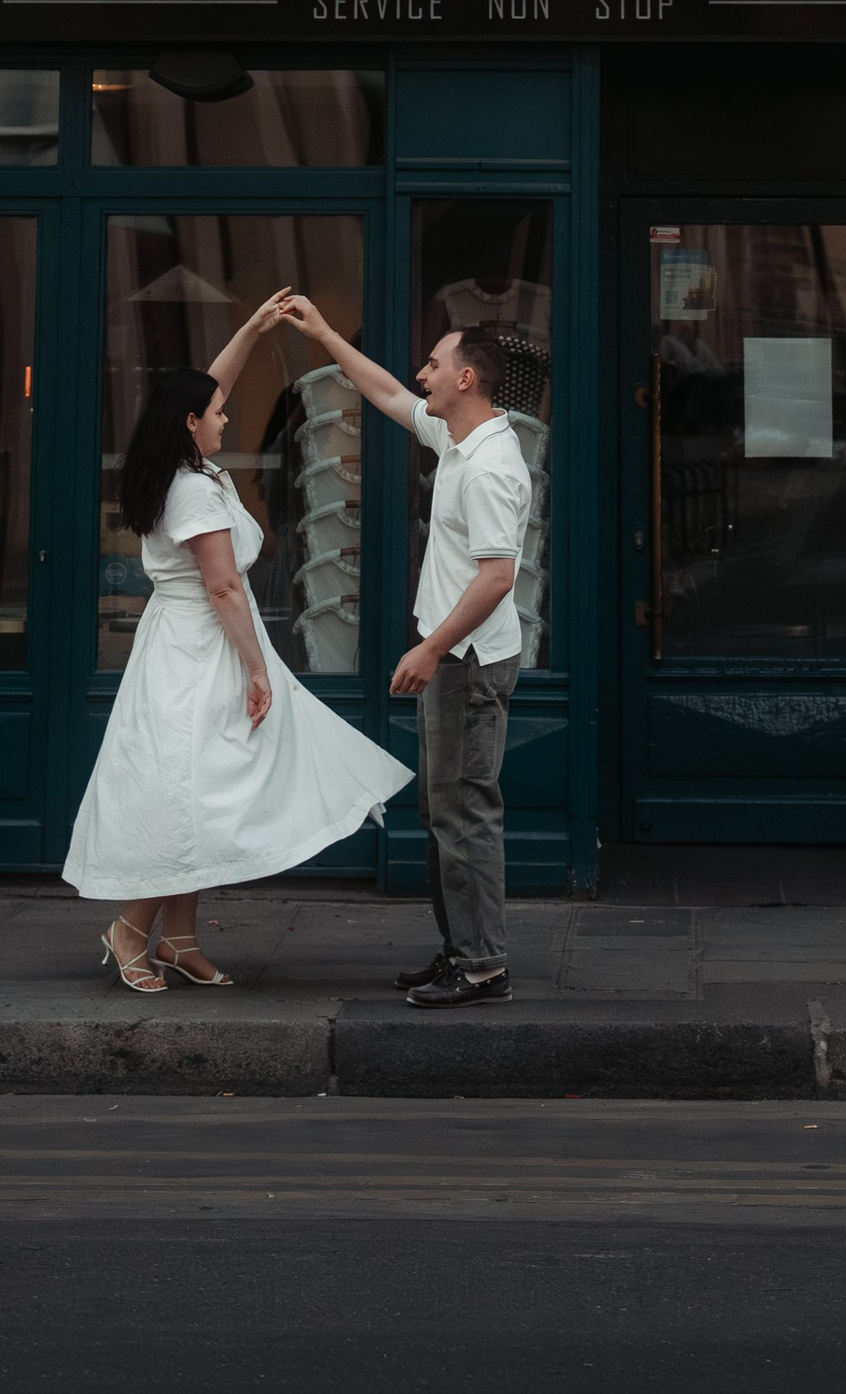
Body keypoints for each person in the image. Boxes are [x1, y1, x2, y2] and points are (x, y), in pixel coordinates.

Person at [64, 288, 410, 989]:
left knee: (203, 790)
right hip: (199, 649)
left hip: (196, 640)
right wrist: (258, 669)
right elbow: (223, 588)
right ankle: (130, 928)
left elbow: (207, 385)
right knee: (188, 790)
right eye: (217, 412)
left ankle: (180, 937)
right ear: (192, 424)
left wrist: (253, 327)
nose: (227, 413)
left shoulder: (186, 467)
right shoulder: (192, 490)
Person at [279, 294, 533, 1008]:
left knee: (463, 812)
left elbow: (496, 577)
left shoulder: (487, 467)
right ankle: (463, 949)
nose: (420, 372)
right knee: (445, 808)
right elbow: (386, 392)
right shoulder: (461, 438)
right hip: (459, 656)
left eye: (434, 362)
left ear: (467, 380)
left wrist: (430, 651)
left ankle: (483, 967)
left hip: (468, 662)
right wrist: (326, 330)